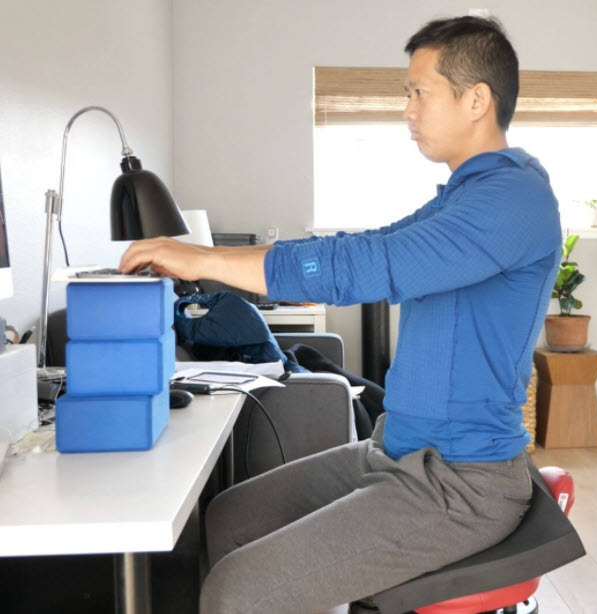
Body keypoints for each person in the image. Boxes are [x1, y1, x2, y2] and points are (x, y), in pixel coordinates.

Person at [120, 15, 562, 614]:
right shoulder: (465, 195)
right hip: (395, 452)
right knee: (229, 516)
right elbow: (370, 243)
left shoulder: (513, 200)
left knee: (237, 590)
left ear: (476, 98)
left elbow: (371, 264)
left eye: (418, 92)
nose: (407, 109)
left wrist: (205, 258)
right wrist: (214, 260)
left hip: (460, 483)